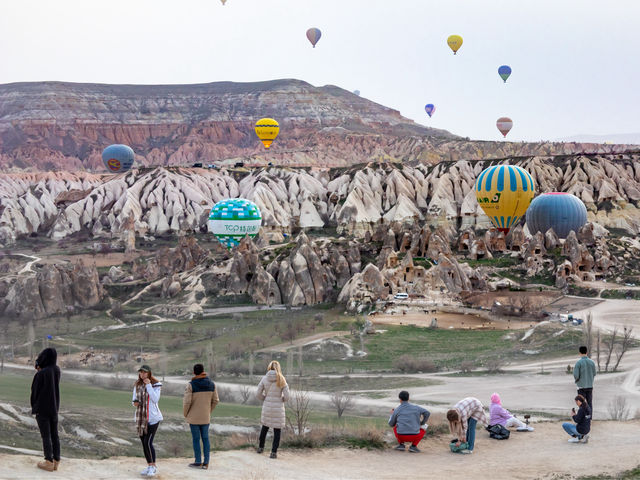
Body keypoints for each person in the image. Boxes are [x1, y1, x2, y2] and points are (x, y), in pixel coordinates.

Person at [183, 363, 219, 470]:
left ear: (194, 372)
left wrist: (186, 414)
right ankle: (206, 463)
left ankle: (198, 461)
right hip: (205, 416)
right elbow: (216, 400)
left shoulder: (191, 385)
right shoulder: (212, 384)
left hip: (193, 417)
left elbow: (187, 402)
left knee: (196, 439)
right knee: (205, 438)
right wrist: (208, 411)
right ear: (203, 371)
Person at [30, 348, 61, 472]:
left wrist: (35, 407)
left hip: (42, 409)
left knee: (46, 436)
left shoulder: (41, 374)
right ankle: (56, 461)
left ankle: (48, 461)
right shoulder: (57, 370)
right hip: (54, 408)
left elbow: (35, 393)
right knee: (55, 435)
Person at [132, 365, 163, 477]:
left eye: (144, 372)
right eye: (141, 372)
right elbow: (133, 400)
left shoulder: (156, 385)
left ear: (149, 373)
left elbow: (155, 399)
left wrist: (148, 385)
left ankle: (153, 466)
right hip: (141, 418)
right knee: (143, 444)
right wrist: (134, 403)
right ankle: (149, 465)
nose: (142, 374)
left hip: (153, 418)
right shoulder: (137, 385)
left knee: (148, 442)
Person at [256, 360, 290, 459]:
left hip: (267, 407)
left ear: (269, 367)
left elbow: (258, 394)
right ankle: (273, 452)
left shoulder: (264, 379)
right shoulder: (281, 379)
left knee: (265, 427)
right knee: (277, 430)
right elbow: (287, 396)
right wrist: (281, 400)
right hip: (278, 408)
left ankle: (260, 448)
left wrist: (265, 399)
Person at [573, 346, 596, 414]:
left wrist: (577, 380)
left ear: (579, 353)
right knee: (589, 403)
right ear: (587, 352)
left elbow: (576, 375)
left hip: (581, 387)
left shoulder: (578, 363)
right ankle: (589, 419)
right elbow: (594, 373)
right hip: (590, 386)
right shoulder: (592, 362)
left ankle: (583, 419)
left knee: (581, 404)